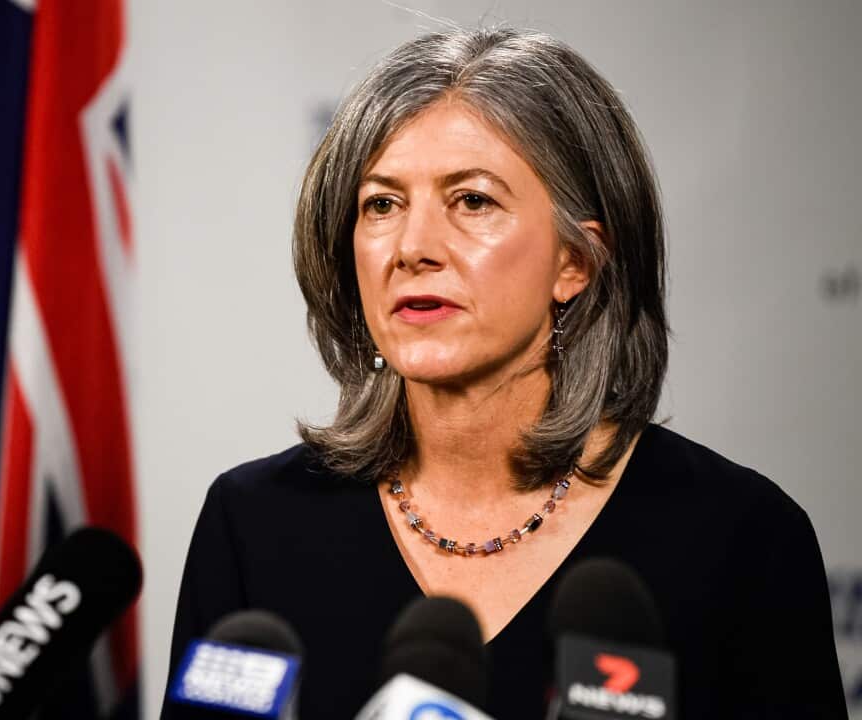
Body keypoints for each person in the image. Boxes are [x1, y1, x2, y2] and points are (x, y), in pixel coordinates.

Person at [162, 26, 847, 719]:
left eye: (472, 201)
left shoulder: (742, 539)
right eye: (382, 204)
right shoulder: (254, 523)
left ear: (574, 261)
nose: (414, 248)